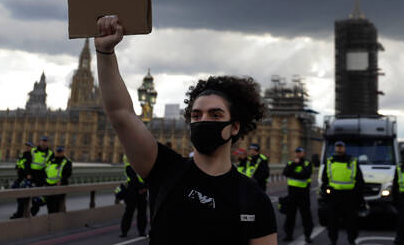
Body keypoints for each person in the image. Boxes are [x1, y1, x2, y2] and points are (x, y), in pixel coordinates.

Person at [94, 15, 277, 244]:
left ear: (235, 127)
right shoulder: (165, 170)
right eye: (196, 115)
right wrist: (105, 53)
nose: (203, 120)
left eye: (215, 114)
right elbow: (121, 115)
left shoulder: (254, 199)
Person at [321, 141, 365, 245]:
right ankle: (333, 240)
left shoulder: (353, 161)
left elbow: (359, 180)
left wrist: (358, 195)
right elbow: (325, 180)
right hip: (334, 195)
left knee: (351, 221)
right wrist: (326, 193)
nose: (339, 149)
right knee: (332, 221)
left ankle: (351, 240)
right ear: (335, 148)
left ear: (344, 148)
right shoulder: (330, 161)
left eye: (341, 147)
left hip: (349, 196)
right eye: (337, 147)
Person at [282, 147, 313, 243]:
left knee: (306, 217)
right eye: (297, 152)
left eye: (300, 152)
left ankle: (308, 236)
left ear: (304, 153)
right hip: (292, 195)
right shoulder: (291, 163)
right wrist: (295, 165)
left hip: (304, 195)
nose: (298, 154)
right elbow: (285, 173)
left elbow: (305, 174)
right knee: (290, 216)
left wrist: (294, 173)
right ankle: (288, 235)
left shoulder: (308, 163)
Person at [23, 136, 53, 216]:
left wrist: (46, 177)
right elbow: (27, 163)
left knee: (37, 196)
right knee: (26, 194)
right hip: (32, 175)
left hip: (42, 176)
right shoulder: (33, 151)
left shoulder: (50, 153)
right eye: (42, 141)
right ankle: (23, 211)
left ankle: (33, 211)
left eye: (45, 141)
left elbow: (50, 166)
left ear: (48, 143)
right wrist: (28, 174)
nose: (43, 142)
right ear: (40, 142)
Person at [120, 154, 148, 237]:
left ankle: (127, 231)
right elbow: (134, 178)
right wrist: (143, 187)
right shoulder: (129, 166)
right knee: (133, 212)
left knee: (137, 212)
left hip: (138, 190)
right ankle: (128, 231)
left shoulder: (139, 163)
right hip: (134, 190)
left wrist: (144, 187)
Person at [10, 141, 35, 219]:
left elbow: (34, 167)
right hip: (20, 177)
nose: (27, 147)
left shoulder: (33, 156)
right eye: (26, 146)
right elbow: (18, 164)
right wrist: (17, 168)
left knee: (23, 196)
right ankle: (23, 211)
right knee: (18, 193)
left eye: (29, 146)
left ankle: (20, 212)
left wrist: (30, 174)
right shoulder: (22, 155)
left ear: (32, 147)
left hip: (27, 178)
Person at [45, 145, 73, 213]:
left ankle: (57, 221)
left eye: (60, 152)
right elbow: (46, 171)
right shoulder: (50, 161)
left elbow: (68, 173)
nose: (58, 153)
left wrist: (61, 181)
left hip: (59, 186)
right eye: (57, 151)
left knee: (57, 206)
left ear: (63, 152)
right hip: (49, 185)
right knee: (49, 205)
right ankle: (52, 220)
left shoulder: (67, 161)